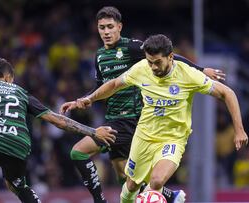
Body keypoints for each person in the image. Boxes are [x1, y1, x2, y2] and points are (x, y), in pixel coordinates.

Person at [59, 6, 226, 203]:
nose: (106, 32)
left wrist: (200, 69)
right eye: (102, 27)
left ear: (119, 27)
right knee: (127, 180)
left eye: (110, 27)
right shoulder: (99, 56)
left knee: (78, 152)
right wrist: (83, 100)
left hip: (132, 119)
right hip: (113, 118)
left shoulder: (131, 47)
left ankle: (100, 200)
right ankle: (169, 196)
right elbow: (102, 87)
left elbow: (167, 56)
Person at [74, 34, 249, 203]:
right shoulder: (142, 68)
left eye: (157, 62)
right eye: (150, 62)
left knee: (156, 182)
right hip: (144, 136)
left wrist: (239, 130)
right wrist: (90, 98)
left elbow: (228, 93)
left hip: (172, 139)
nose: (154, 67)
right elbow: (113, 85)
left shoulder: (188, 75)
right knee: (131, 185)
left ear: (171, 57)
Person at [0, 58, 117, 203]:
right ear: (8, 77)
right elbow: (56, 120)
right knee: (17, 185)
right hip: (21, 144)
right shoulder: (21, 92)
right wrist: (93, 132)